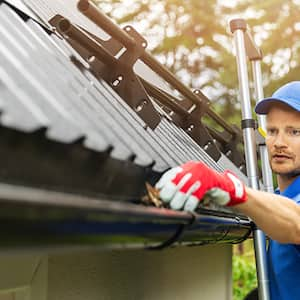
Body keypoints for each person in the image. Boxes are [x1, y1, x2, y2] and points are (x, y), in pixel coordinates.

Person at [155, 81, 300, 300]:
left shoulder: (287, 210)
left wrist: (230, 188)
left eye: (294, 132)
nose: (279, 142)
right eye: (272, 131)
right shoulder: (278, 200)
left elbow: (296, 224)